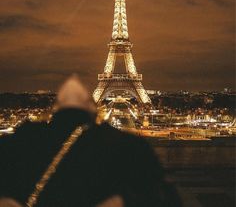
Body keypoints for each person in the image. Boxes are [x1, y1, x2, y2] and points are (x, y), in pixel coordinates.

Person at [0, 75, 182, 207]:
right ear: (92, 108)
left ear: (55, 108)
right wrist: (124, 200)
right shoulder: (128, 145)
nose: (73, 82)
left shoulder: (21, 142)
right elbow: (165, 196)